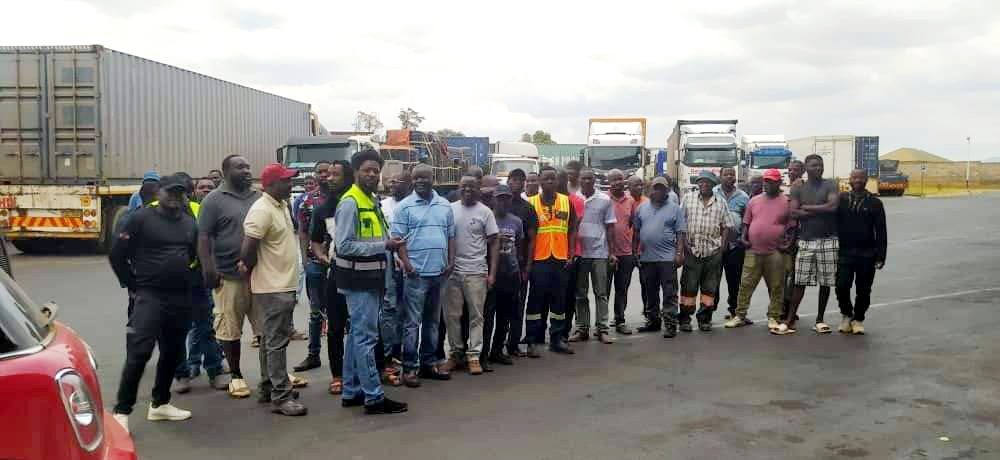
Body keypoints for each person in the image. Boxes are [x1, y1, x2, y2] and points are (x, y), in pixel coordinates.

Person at [109, 174, 197, 433]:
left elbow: (192, 253)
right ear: (159, 193)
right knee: (140, 352)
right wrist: (132, 285)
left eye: (179, 193)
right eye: (170, 192)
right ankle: (122, 411)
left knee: (172, 352)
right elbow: (116, 254)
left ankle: (159, 404)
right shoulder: (139, 218)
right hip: (150, 295)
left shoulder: (188, 222)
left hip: (180, 295)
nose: (174, 197)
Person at [335, 149, 408, 414]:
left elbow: (377, 237)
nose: (372, 174)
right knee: (366, 338)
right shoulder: (350, 202)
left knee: (357, 335)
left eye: (376, 170)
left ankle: (352, 391)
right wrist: (383, 245)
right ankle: (374, 397)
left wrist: (392, 253)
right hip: (358, 279)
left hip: (372, 277)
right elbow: (343, 245)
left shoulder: (370, 199)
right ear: (355, 172)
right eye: (367, 170)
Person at [239, 164, 307, 416]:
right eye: (285, 181)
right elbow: (247, 250)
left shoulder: (280, 205)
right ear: (270, 185)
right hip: (272, 287)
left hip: (282, 285)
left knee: (270, 340)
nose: (290, 185)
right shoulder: (262, 210)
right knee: (276, 342)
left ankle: (269, 387)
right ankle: (281, 396)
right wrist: (249, 274)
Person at [197, 154, 261, 398]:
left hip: (259, 276)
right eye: (240, 167)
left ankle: (272, 374)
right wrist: (208, 268)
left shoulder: (258, 196)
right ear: (225, 172)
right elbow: (203, 237)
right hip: (228, 276)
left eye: (248, 166)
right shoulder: (213, 200)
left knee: (266, 329)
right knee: (230, 329)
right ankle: (236, 375)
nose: (246, 170)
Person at [392, 164, 454, 387]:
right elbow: (398, 240)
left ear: (432, 179)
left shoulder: (445, 206)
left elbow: (451, 236)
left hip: (439, 273)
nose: (420, 181)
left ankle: (429, 364)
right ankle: (409, 368)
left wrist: (451, 261)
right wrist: (407, 265)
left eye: (424, 177)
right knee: (412, 323)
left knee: (433, 322)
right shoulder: (404, 207)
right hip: (415, 275)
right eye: (416, 178)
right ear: (412, 181)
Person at [171, 175, 228, 394]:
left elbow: (208, 241)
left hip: (197, 278)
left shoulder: (197, 209)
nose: (180, 198)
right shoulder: (154, 213)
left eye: (183, 193)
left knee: (205, 327)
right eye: (175, 193)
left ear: (189, 193)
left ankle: (214, 370)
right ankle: (181, 375)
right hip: (170, 281)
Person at [307, 160, 356, 394]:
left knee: (362, 326)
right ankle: (338, 375)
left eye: (336, 174)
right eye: (328, 174)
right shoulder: (322, 210)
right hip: (336, 273)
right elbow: (315, 241)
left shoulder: (360, 203)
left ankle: (362, 370)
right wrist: (322, 257)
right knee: (335, 327)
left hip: (362, 273)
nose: (330, 178)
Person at [442, 176, 499, 375]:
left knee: (476, 316)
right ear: (459, 188)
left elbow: (494, 243)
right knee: (452, 316)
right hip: (452, 271)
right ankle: (456, 354)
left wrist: (492, 274)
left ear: (478, 189)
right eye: (464, 186)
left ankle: (474, 356)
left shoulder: (486, 212)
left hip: (477, 271)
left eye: (472, 186)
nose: (468, 189)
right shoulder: (449, 209)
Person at [780, 154, 840, 335]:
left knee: (826, 282)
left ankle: (820, 320)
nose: (818, 168)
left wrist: (807, 208)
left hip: (828, 239)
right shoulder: (799, 188)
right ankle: (790, 319)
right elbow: (793, 213)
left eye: (820, 165)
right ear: (806, 168)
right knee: (799, 281)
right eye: (814, 165)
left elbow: (833, 207)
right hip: (805, 240)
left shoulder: (830, 184)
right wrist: (820, 208)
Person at [725, 169, 792, 331]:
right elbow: (747, 222)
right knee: (745, 285)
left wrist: (789, 243)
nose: (766, 184)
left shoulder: (786, 202)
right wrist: (743, 238)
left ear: (778, 183)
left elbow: (792, 226)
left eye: (770, 182)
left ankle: (774, 317)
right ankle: (739, 315)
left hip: (775, 251)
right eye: (765, 181)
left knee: (776, 286)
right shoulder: (754, 200)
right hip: (753, 250)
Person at [524, 166, 578, 357]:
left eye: (552, 179)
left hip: (561, 259)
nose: (549, 182)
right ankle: (532, 339)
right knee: (536, 300)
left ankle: (557, 338)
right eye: (545, 179)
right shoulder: (530, 203)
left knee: (559, 300)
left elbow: (572, 229)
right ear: (539, 181)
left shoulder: (566, 202)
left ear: (557, 182)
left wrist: (571, 253)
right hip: (539, 259)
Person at [679, 171, 734, 332]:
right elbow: (681, 224)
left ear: (713, 184)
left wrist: (722, 246)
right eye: (701, 182)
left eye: (708, 182)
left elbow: (726, 226)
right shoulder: (688, 199)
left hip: (713, 252)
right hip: (692, 251)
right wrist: (684, 247)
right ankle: (685, 319)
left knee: (709, 289)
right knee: (688, 287)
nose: (704, 185)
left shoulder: (721, 202)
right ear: (698, 184)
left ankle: (704, 319)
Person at [835, 169, 887, 335]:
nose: (857, 180)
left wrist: (881, 256)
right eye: (854, 177)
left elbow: (881, 231)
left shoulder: (875, 203)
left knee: (863, 290)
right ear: (849, 179)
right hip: (844, 252)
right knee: (841, 286)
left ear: (866, 180)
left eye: (861, 177)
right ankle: (847, 314)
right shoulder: (841, 199)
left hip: (867, 254)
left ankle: (858, 319)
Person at [633, 177, 687, 338]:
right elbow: (636, 232)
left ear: (667, 190)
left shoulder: (675, 208)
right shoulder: (641, 208)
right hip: (647, 258)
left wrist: (679, 253)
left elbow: (680, 233)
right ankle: (653, 321)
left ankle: (670, 324)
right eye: (655, 188)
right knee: (650, 291)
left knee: (669, 292)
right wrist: (635, 252)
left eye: (661, 188)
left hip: (667, 258)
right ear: (650, 190)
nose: (658, 191)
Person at [569, 169, 618, 344]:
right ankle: (582, 329)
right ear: (579, 180)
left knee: (601, 292)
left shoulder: (605, 200)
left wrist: (612, 252)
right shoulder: (573, 198)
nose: (587, 181)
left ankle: (602, 329)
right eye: (584, 178)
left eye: (590, 178)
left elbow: (610, 227)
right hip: (580, 254)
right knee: (580, 293)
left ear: (594, 180)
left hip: (600, 253)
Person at [293, 163, 332, 372]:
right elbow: (302, 232)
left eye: (328, 172)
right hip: (315, 264)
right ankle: (313, 355)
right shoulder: (306, 201)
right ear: (315, 175)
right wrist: (306, 261)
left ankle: (345, 360)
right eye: (321, 172)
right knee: (316, 312)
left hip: (339, 263)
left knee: (342, 313)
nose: (324, 176)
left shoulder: (343, 197)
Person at [484, 184, 524, 366]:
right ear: (494, 199)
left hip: (510, 273)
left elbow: (520, 247)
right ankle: (483, 353)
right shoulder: (486, 217)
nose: (503, 201)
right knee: (487, 316)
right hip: (491, 273)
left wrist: (521, 269)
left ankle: (497, 350)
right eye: (500, 198)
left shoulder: (516, 221)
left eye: (507, 198)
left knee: (505, 315)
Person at [380, 170, 412, 364]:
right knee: (390, 308)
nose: (393, 184)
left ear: (409, 185)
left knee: (405, 309)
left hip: (409, 264)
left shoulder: (412, 205)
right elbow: (385, 236)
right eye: (391, 181)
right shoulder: (382, 206)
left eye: (398, 181)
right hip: (390, 263)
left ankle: (400, 349)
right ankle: (389, 351)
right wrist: (394, 256)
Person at [505, 169, 538, 357]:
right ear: (508, 181)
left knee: (518, 305)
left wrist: (528, 266)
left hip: (520, 265)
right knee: (496, 309)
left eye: (519, 180)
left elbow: (532, 239)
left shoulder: (527, 208)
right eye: (513, 179)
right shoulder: (498, 203)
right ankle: (493, 345)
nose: (515, 183)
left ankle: (513, 344)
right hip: (498, 266)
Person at [714, 167, 750, 321]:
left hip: (735, 246)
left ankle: (736, 312)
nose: (729, 176)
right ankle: (707, 312)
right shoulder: (713, 193)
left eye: (732, 174)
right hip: (714, 246)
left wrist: (743, 238)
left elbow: (748, 220)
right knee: (712, 281)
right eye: (726, 174)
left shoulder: (743, 196)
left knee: (735, 281)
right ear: (720, 177)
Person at [606, 169, 636, 335]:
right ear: (608, 181)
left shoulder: (630, 201)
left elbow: (631, 224)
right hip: (606, 253)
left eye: (620, 179)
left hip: (625, 253)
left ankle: (620, 320)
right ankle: (601, 324)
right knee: (603, 290)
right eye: (614, 180)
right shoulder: (604, 199)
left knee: (622, 289)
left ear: (624, 181)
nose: (617, 182)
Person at [558, 168, 584, 341]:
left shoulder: (576, 201)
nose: (555, 183)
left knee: (569, 294)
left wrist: (571, 253)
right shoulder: (545, 202)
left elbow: (574, 227)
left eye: (559, 179)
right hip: (551, 255)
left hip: (572, 255)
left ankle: (565, 330)